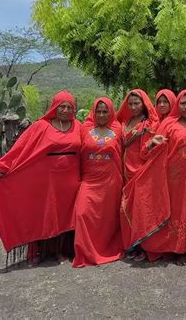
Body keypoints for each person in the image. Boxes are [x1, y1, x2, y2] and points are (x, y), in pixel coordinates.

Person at [0, 90, 81, 265]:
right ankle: (42, 251)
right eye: (61, 106)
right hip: (47, 180)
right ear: (54, 107)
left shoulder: (78, 125)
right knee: (47, 213)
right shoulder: (41, 126)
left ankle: (63, 251)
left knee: (67, 215)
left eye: (69, 107)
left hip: (71, 180)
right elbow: (21, 147)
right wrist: (3, 167)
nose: (65, 110)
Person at [136, 90, 186, 264]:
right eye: (183, 103)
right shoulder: (169, 124)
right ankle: (179, 249)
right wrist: (152, 143)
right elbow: (150, 149)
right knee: (178, 212)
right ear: (178, 105)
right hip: (174, 178)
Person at [72, 97, 124, 267]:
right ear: (93, 113)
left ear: (111, 112)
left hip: (111, 182)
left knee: (108, 219)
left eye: (105, 111)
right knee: (82, 213)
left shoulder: (119, 129)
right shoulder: (84, 129)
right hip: (90, 181)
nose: (101, 115)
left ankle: (107, 249)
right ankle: (86, 253)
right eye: (98, 111)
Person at [117, 89, 159, 261]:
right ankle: (130, 245)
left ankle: (142, 246)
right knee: (125, 209)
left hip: (139, 171)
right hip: (122, 170)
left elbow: (145, 152)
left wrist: (150, 145)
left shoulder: (147, 124)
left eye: (137, 103)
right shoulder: (125, 121)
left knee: (138, 210)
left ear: (144, 104)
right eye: (131, 103)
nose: (133, 107)